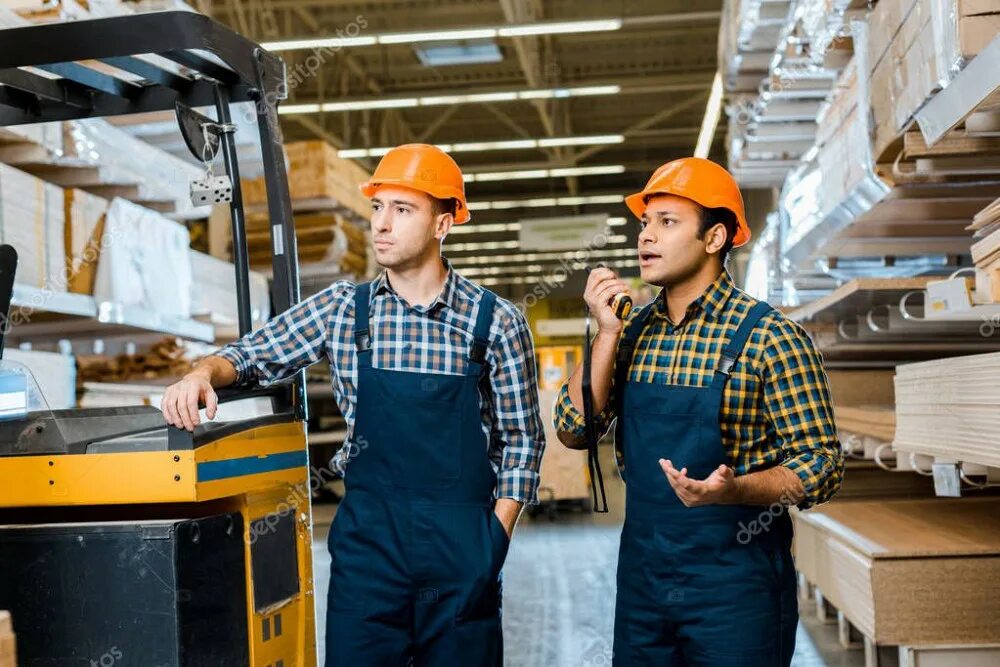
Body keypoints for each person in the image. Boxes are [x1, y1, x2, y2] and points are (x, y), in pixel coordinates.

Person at [161, 143, 545, 666]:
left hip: (461, 554)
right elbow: (252, 355)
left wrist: (492, 542)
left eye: (402, 210)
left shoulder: (495, 323)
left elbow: (521, 440)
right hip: (370, 557)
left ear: (443, 223)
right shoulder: (344, 310)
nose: (381, 225)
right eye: (378, 208)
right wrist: (200, 373)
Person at [554, 157, 843, 666]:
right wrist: (605, 334)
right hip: (645, 582)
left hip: (738, 589)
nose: (646, 236)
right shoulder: (632, 332)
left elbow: (821, 464)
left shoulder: (771, 338)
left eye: (667, 222)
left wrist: (737, 490)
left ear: (714, 239)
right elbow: (574, 429)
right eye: (645, 223)